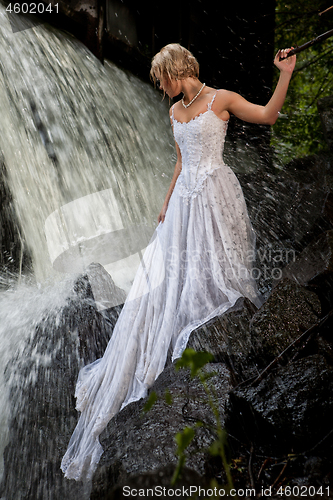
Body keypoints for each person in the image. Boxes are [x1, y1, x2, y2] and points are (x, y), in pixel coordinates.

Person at [61, 43, 296, 482]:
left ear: (174, 70)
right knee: (169, 281)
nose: (160, 85)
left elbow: (266, 115)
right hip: (184, 203)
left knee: (216, 270)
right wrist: (166, 203)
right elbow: (179, 161)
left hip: (215, 195)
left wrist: (285, 74)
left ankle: (219, 336)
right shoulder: (174, 109)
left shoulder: (220, 98)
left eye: (161, 76)